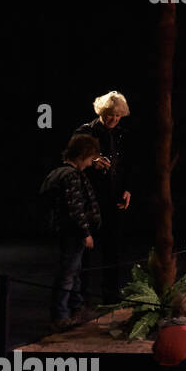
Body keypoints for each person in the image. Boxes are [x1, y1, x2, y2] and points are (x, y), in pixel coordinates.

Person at [74, 91, 132, 307]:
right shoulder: (86, 132)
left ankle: (111, 297)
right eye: (110, 115)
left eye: (118, 116)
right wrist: (93, 160)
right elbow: (70, 160)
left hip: (113, 199)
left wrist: (127, 189)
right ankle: (82, 298)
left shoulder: (122, 134)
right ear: (102, 112)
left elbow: (127, 166)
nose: (114, 120)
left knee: (113, 249)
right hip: (89, 199)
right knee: (86, 250)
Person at [39, 134, 102, 331]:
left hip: (69, 231)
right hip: (72, 232)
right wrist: (86, 233)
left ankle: (75, 309)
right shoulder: (70, 175)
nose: (91, 164)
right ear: (82, 155)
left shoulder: (60, 172)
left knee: (74, 272)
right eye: (90, 159)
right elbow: (75, 209)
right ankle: (60, 315)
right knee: (68, 273)